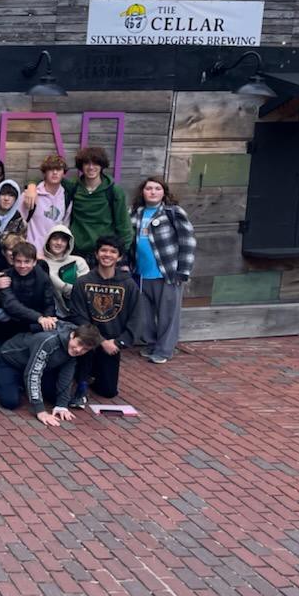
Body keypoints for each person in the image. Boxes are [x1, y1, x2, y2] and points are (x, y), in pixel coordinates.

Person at [67, 235, 140, 406]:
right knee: (83, 346)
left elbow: (137, 317)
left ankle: (92, 375)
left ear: (119, 257)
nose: (107, 254)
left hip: (113, 343)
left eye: (113, 251)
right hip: (88, 338)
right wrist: (99, 340)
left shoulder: (128, 285)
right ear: (97, 253)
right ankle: (81, 385)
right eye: (104, 250)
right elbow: (78, 315)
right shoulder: (83, 282)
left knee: (108, 392)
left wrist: (119, 342)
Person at [131, 176, 195, 364]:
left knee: (168, 314)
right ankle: (151, 344)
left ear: (164, 192)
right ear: (142, 192)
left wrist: (183, 270)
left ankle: (165, 350)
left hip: (167, 273)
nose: (152, 192)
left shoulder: (172, 212)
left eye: (157, 188)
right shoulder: (135, 213)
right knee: (145, 315)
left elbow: (188, 241)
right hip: (142, 273)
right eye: (149, 188)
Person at [0, 324, 102, 427]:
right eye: (79, 343)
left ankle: (24, 384)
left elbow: (66, 376)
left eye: (85, 349)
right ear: (73, 335)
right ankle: (8, 380)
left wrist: (62, 405)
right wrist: (40, 411)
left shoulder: (73, 351)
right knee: (10, 402)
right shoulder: (48, 341)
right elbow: (33, 373)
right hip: (10, 363)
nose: (79, 350)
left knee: (56, 398)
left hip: (41, 367)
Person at [62, 146, 134, 264]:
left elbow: (124, 225)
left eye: (95, 163)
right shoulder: (74, 187)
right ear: (81, 166)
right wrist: (31, 186)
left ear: (102, 166)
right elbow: (49, 179)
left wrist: (122, 257)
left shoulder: (114, 191)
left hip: (104, 253)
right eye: (87, 163)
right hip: (77, 252)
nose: (91, 167)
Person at [0, 241, 59, 344]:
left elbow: (49, 303)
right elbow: (11, 305)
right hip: (11, 324)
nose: (22, 265)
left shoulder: (42, 276)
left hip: (36, 325)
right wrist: (39, 318)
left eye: (27, 261)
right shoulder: (4, 276)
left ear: (34, 262)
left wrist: (47, 319)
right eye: (18, 261)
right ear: (12, 261)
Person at [21, 154, 71, 255]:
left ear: (64, 173)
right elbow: (18, 222)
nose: (55, 172)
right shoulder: (31, 194)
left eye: (58, 169)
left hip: (54, 255)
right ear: (44, 172)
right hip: (31, 254)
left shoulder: (66, 197)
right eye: (51, 169)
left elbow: (65, 227)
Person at [41, 225, 89, 315]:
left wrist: (58, 282)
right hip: (48, 315)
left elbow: (82, 292)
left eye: (63, 240)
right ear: (48, 241)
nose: (59, 243)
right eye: (55, 238)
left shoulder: (78, 261)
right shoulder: (40, 263)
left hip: (76, 313)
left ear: (68, 243)